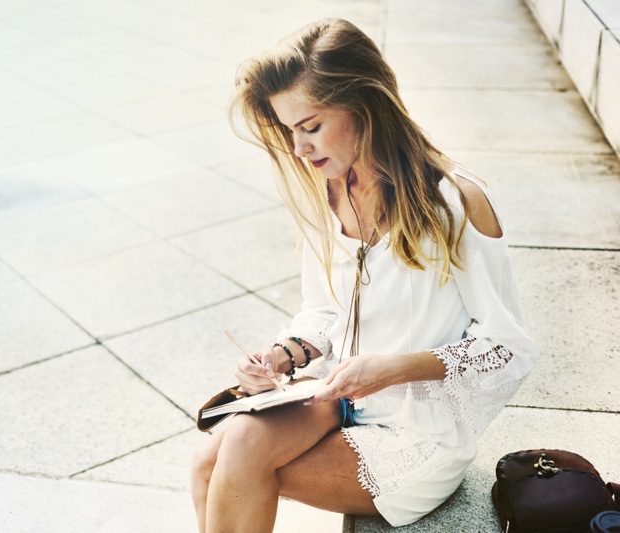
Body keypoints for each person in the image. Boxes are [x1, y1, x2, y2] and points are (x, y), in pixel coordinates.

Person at [190, 18, 538, 532]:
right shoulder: (329, 192)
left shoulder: (455, 203)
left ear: (365, 107)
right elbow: (325, 311)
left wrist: (393, 368)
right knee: (208, 461)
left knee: (232, 461)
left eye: (310, 126)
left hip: (418, 435)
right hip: (340, 403)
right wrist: (284, 355)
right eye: (289, 131)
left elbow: (509, 347)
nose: (299, 150)